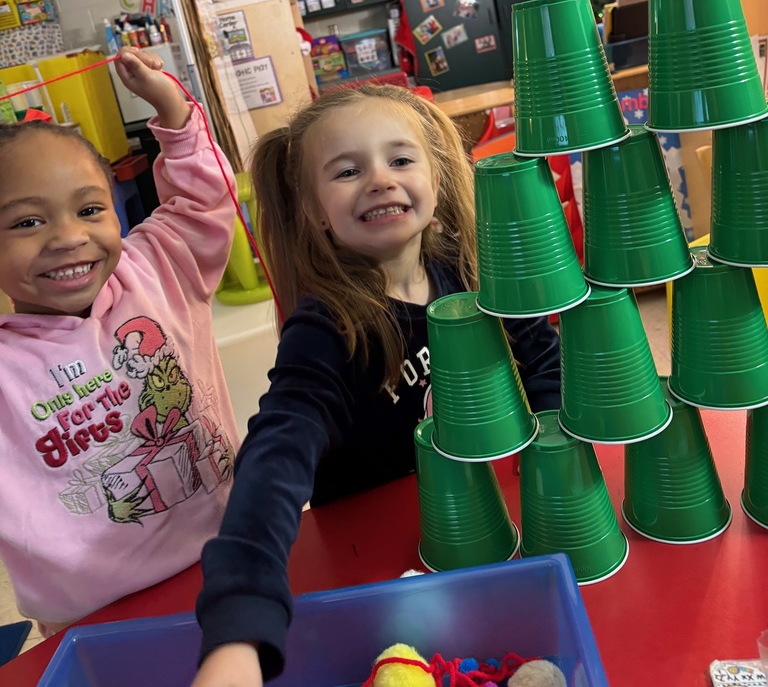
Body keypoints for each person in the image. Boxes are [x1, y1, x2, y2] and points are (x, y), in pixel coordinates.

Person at [192, 83, 561, 687]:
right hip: (376, 561)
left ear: (436, 179)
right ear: (316, 212)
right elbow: (278, 450)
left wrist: (551, 459)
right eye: (347, 171)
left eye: (400, 159)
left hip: (492, 520)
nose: (380, 180)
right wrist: (239, 625)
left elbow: (545, 360)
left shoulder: (471, 270)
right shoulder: (326, 327)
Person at [0, 47, 239, 636]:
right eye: (27, 222)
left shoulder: (159, 267)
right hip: (96, 624)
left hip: (234, 559)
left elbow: (203, 199)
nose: (68, 237)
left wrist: (171, 107)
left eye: (89, 209)